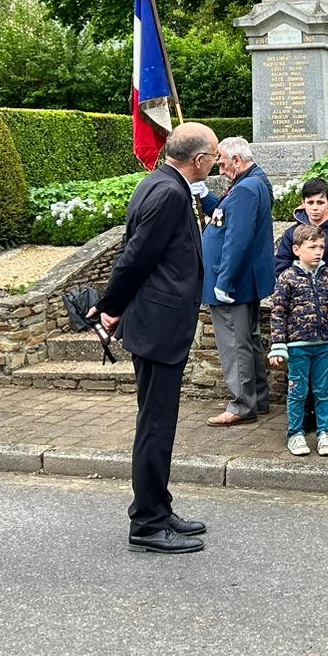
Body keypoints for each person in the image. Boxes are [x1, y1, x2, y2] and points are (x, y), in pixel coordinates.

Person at [93, 122, 218, 555]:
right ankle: (146, 522)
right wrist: (111, 306)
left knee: (158, 420)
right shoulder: (168, 193)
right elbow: (135, 257)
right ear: (198, 160)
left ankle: (159, 508)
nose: (216, 163)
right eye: (214, 157)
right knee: (156, 424)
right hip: (158, 326)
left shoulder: (161, 183)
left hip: (156, 322)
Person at [202, 136, 276, 427]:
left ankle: (242, 405)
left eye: (221, 162)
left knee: (234, 343)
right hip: (243, 280)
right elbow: (225, 216)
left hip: (233, 282)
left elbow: (237, 238)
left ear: (236, 160)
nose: (219, 169)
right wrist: (205, 195)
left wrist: (224, 280)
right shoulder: (251, 182)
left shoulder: (247, 187)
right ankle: (256, 397)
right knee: (248, 339)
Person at [268, 224, 328, 457]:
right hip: (297, 347)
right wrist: (278, 346)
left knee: (324, 391)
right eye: (312, 247)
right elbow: (278, 313)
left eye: (321, 246)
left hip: (324, 345)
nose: (318, 251)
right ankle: (295, 433)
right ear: (296, 249)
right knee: (298, 391)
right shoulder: (287, 278)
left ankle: (324, 432)